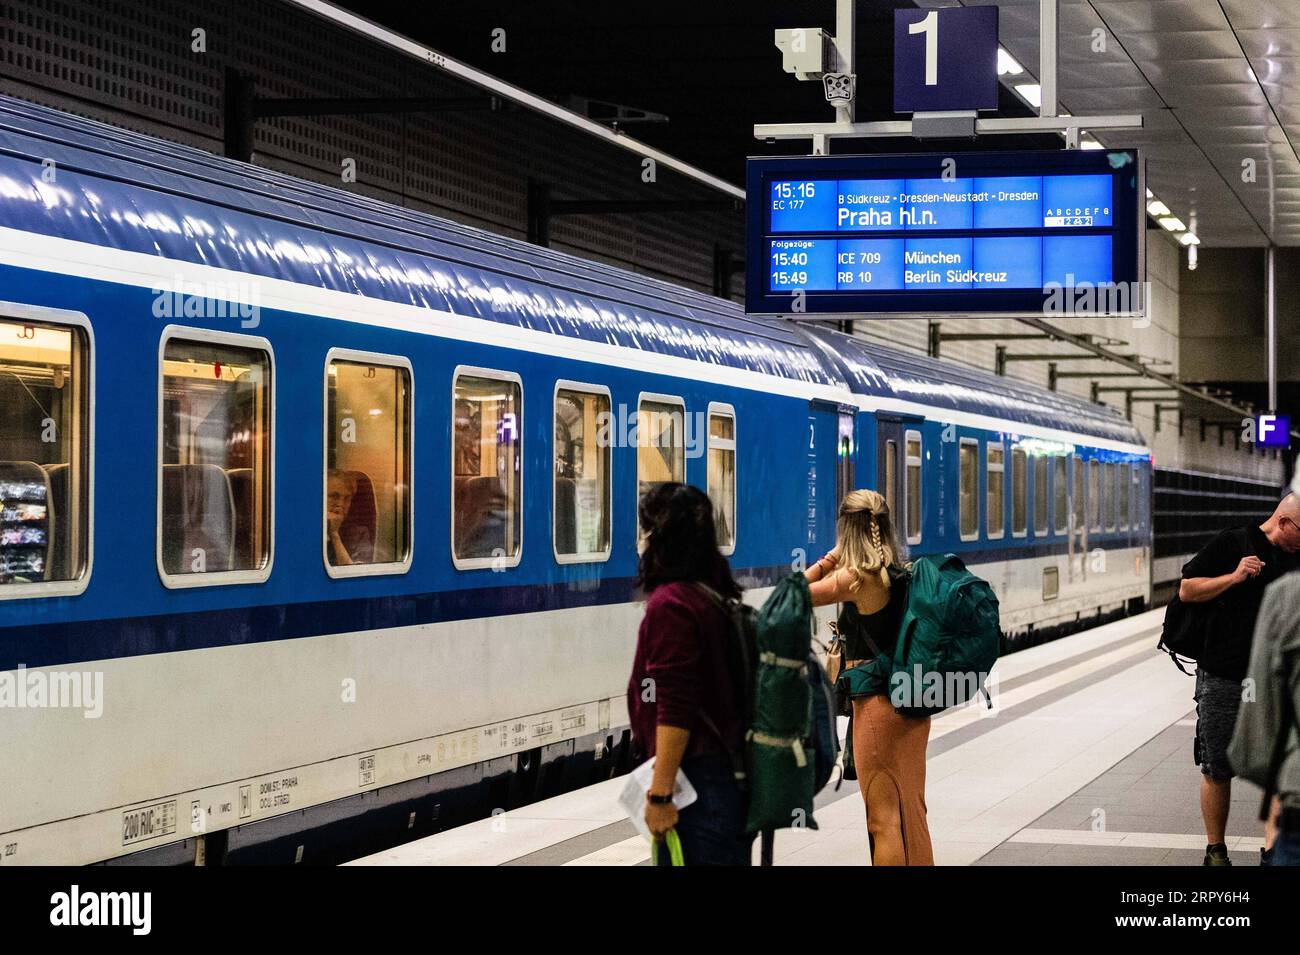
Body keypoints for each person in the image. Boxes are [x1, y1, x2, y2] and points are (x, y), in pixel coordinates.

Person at [805, 488, 933, 866]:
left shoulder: (855, 579)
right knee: (912, 813)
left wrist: (828, 559)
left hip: (877, 710)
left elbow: (792, 593)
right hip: (909, 706)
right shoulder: (900, 573)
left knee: (882, 820)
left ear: (847, 529)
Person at [626, 482, 752, 866]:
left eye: (647, 532)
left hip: (696, 789)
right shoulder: (709, 595)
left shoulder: (672, 605)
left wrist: (660, 795)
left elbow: (676, 708)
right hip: (724, 782)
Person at [1179, 491, 1300, 865]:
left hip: (1278, 682)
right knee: (1217, 766)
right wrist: (1233, 577)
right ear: (1284, 522)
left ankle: (1272, 851)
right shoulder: (1232, 543)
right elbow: (1186, 590)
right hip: (1223, 675)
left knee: (1285, 766)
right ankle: (1216, 850)